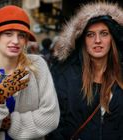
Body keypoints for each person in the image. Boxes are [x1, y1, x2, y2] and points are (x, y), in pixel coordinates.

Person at [46, 2, 123, 140]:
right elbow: (54, 125)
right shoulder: (66, 77)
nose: (97, 40)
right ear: (83, 40)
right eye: (90, 35)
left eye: (104, 34)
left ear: (112, 39)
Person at [0, 5, 60, 140]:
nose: (15, 41)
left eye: (21, 35)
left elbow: (51, 117)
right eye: (8, 34)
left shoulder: (37, 66)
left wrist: (10, 123)